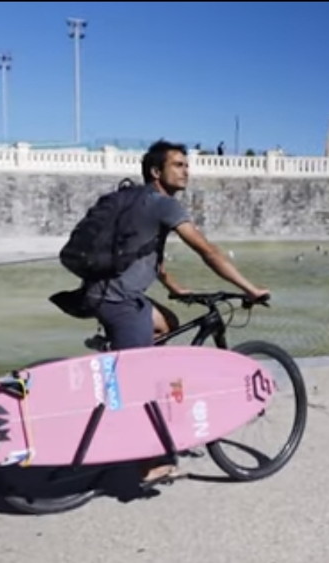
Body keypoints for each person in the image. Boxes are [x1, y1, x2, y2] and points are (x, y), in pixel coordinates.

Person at [69, 139, 270, 484]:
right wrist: (250, 289)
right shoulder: (163, 205)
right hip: (120, 302)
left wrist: (173, 287)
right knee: (138, 381)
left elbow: (142, 250)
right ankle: (147, 464)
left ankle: (122, 357)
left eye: (186, 165)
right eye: (178, 165)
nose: (186, 171)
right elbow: (207, 251)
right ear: (156, 171)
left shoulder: (133, 200)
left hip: (101, 293)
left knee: (168, 324)